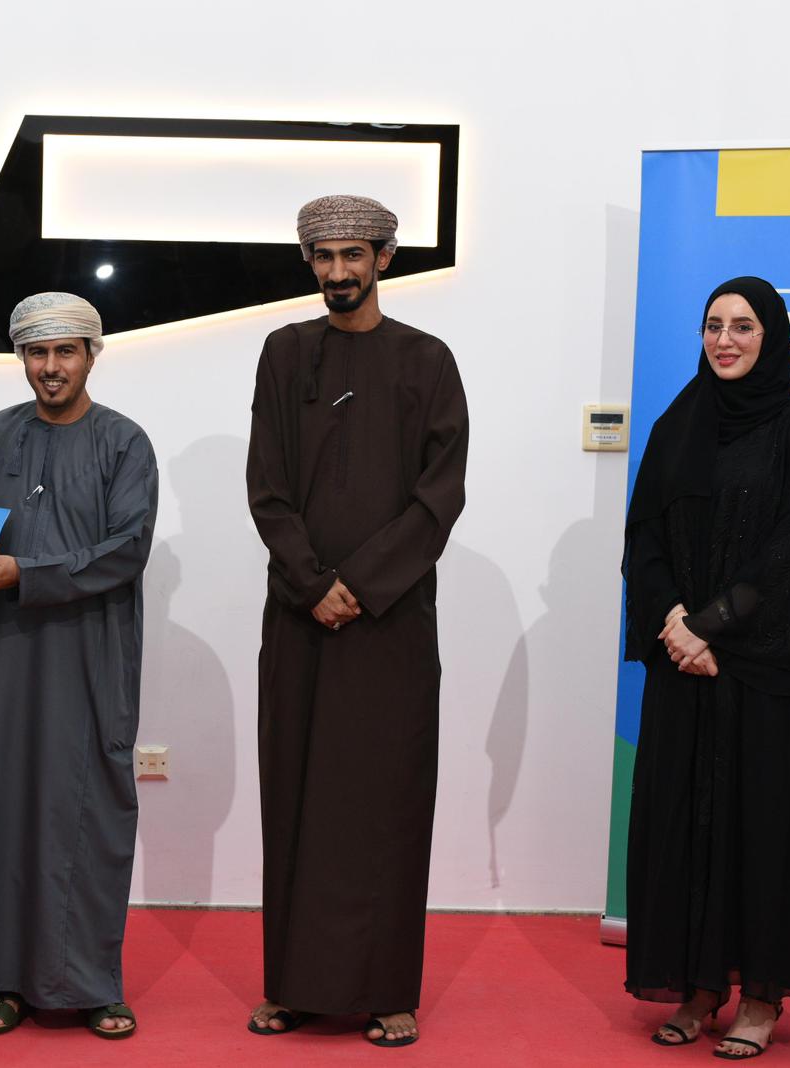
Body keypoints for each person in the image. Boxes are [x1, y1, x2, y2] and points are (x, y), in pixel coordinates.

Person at [244, 195, 469, 1047]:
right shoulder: (284, 352)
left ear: (384, 258)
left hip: (390, 624)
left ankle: (385, 990)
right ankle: (294, 986)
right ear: (309, 262)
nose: (338, 271)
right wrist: (312, 583)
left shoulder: (428, 360)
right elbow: (267, 485)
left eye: (353, 254)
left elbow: (439, 496)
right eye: (324, 256)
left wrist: (362, 586)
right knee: (296, 796)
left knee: (385, 801)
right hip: (300, 618)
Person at [622, 277, 790, 1058]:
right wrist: (672, 622)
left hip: (764, 673)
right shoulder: (676, 425)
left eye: (743, 327)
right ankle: (700, 986)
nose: (724, 340)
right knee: (687, 829)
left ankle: (763, 995)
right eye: (713, 325)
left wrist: (708, 627)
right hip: (685, 668)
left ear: (771, 336)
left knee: (762, 830)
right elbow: (644, 537)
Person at [0, 292, 158, 1040]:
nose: (51, 367)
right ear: (22, 358)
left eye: (66, 351)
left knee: (87, 811)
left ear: (91, 356)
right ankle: (5, 982)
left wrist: (28, 574)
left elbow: (126, 548)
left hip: (91, 656)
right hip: (7, 657)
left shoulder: (124, 442)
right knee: (4, 809)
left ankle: (92, 985)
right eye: (37, 352)